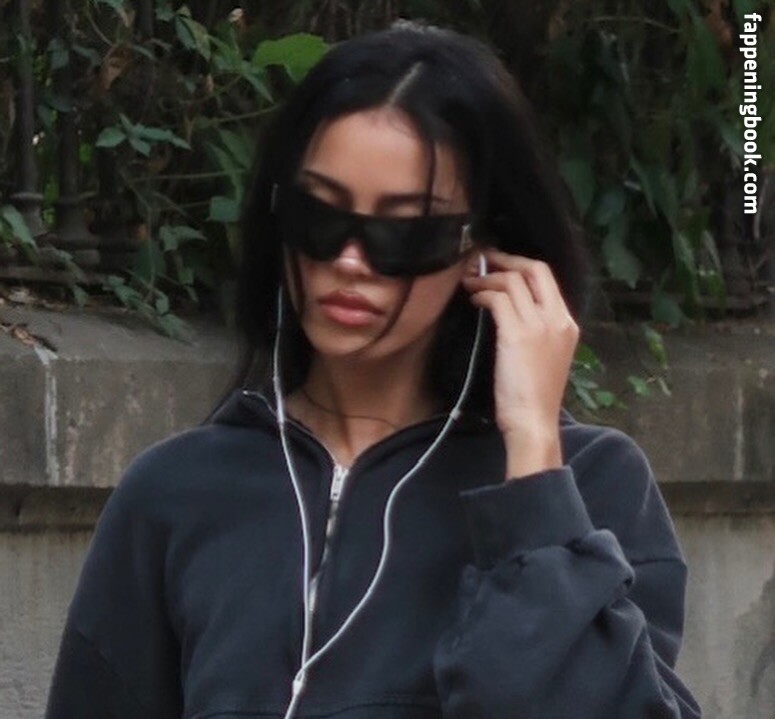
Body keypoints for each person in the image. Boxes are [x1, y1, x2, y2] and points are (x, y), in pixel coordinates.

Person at [45, 19, 702, 719]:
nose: (350, 261)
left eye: (404, 231)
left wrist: (534, 466)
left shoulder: (591, 488)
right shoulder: (177, 492)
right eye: (319, 217)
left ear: (481, 251)